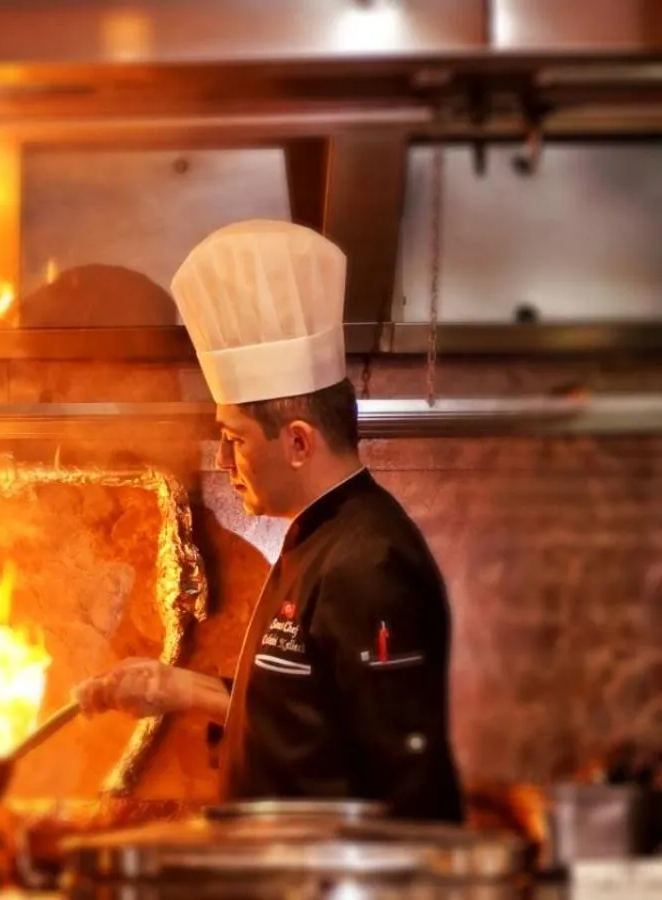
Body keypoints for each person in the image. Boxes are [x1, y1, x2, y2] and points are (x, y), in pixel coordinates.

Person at [72, 220, 464, 823]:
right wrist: (176, 687)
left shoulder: (369, 567)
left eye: (234, 440)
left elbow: (406, 790)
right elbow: (305, 713)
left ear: (299, 443)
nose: (224, 462)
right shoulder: (319, 541)